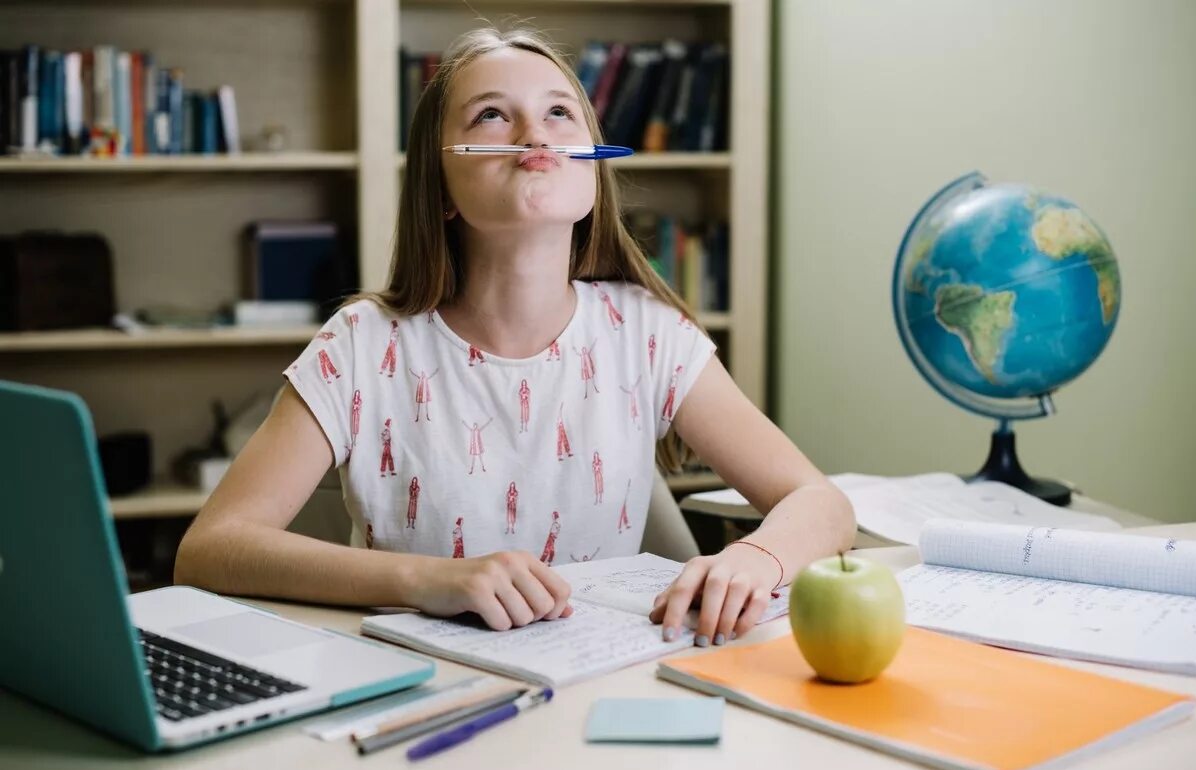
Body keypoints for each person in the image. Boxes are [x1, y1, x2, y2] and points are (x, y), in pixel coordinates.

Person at [174, 27, 854, 648]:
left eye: (561, 112)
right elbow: (211, 547)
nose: (537, 133)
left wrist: (757, 557)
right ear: (440, 189)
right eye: (492, 115)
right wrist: (426, 579)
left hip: (599, 690)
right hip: (418, 696)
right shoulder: (360, 345)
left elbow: (821, 503)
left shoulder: (649, 333)